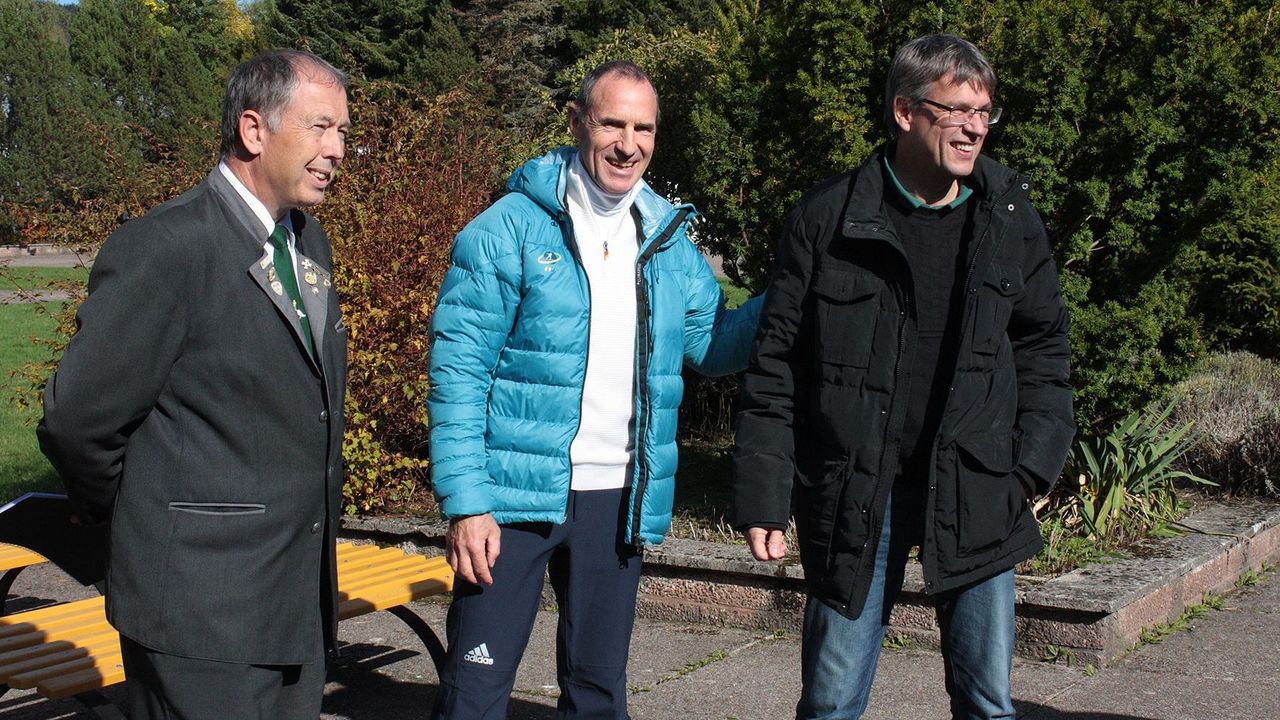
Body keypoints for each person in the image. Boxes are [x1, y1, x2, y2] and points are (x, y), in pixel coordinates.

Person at [732, 34, 1075, 720]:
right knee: (831, 703)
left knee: (988, 702)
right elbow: (776, 366)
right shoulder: (827, 219)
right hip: (858, 491)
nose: (976, 127)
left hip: (978, 488)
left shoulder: (1008, 216)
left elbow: (1044, 350)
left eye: (985, 112)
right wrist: (764, 493)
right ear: (905, 111)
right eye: (958, 111)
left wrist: (1029, 470)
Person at [427, 59, 760, 719]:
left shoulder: (665, 242)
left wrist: (791, 295)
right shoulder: (509, 229)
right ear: (579, 122)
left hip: (617, 500)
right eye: (612, 123)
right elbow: (458, 372)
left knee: (599, 692)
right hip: (511, 501)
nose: (627, 143)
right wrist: (467, 504)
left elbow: (713, 348)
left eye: (643, 128)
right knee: (476, 691)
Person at [38, 49, 350, 719]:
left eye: (344, 132)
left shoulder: (307, 243)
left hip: (291, 604)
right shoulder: (168, 247)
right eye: (321, 127)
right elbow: (77, 420)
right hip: (197, 615)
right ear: (253, 129)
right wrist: (137, 520)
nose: (338, 149)